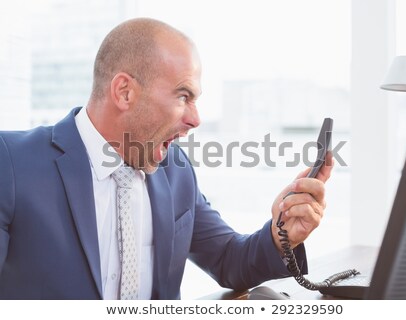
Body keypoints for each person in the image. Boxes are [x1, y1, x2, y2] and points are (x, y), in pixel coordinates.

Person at [0, 18, 332, 299]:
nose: (195, 119)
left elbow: (230, 260)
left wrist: (282, 234)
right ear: (125, 92)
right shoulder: (12, 162)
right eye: (183, 96)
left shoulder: (176, 171)